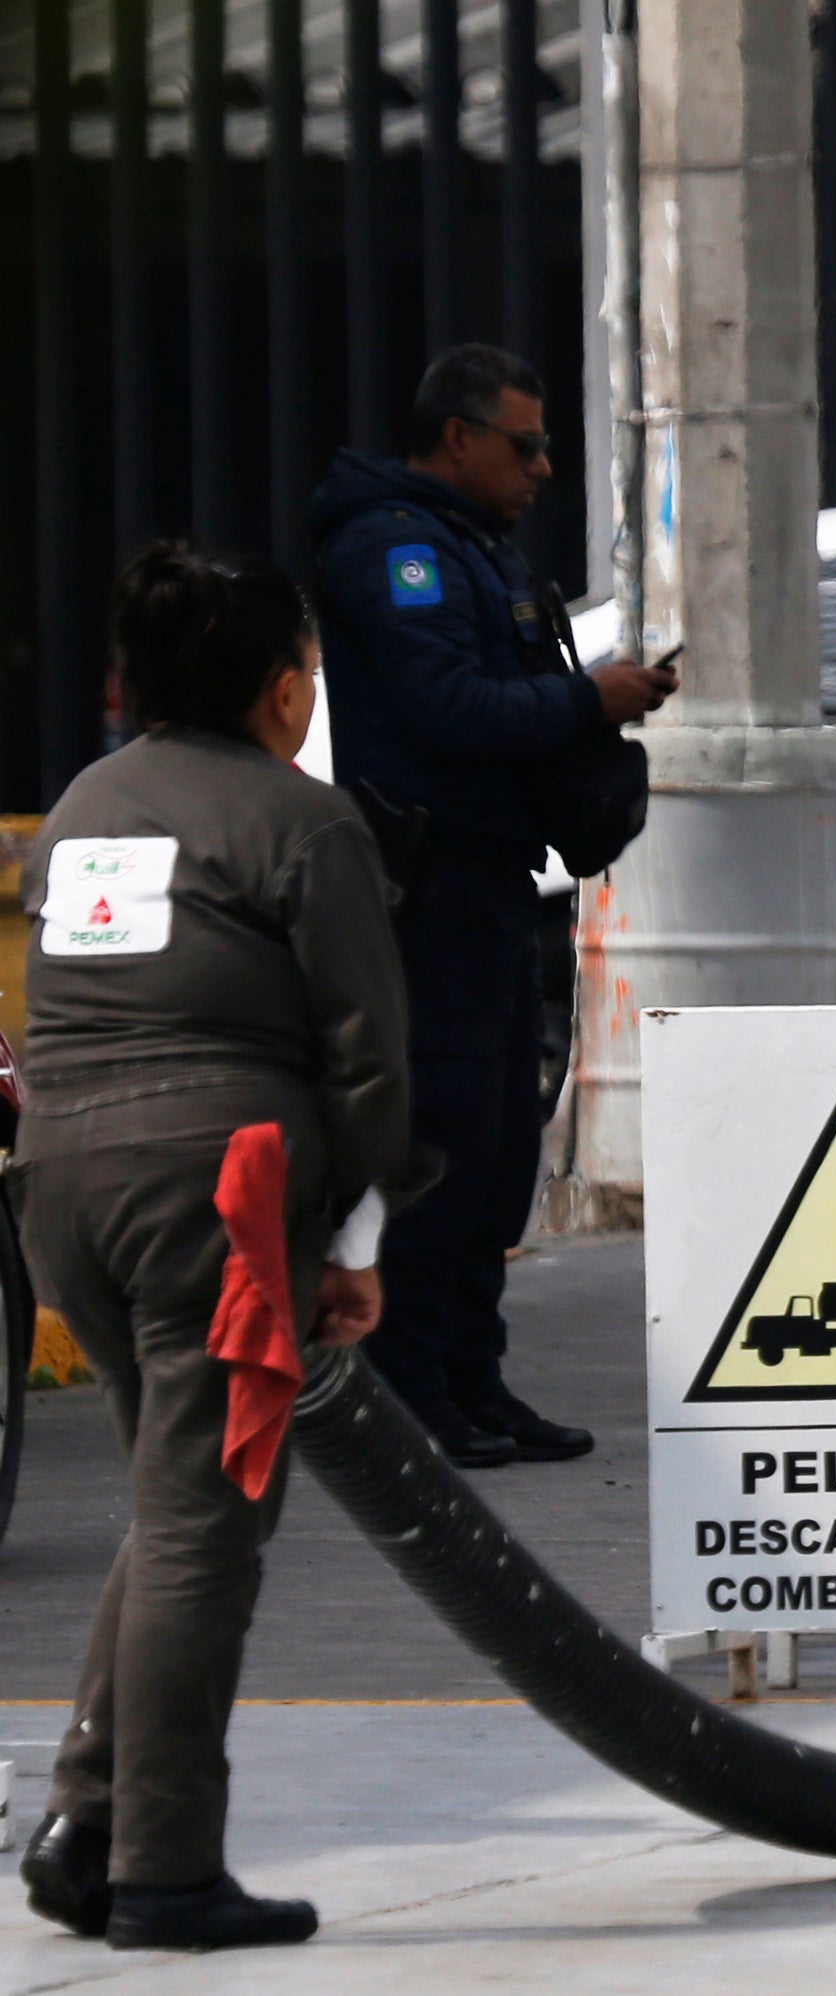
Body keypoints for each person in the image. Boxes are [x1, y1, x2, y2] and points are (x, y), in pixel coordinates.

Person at [14, 548, 419, 1951]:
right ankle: (165, 1872)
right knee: (208, 1525)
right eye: (306, 667)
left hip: (63, 1184)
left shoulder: (82, 808)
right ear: (279, 687)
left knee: (184, 1500)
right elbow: (370, 1064)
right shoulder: (301, 823)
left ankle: (85, 1827)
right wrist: (355, 1236)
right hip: (218, 1195)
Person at [309, 344, 677, 1467]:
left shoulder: (469, 544)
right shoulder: (397, 548)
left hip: (494, 883)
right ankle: (411, 1394)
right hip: (428, 894)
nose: (543, 467)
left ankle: (472, 1375)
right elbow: (447, 709)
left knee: (503, 1144)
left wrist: (593, 702)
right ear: (457, 436)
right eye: (525, 445)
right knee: (444, 1141)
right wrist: (586, 698)